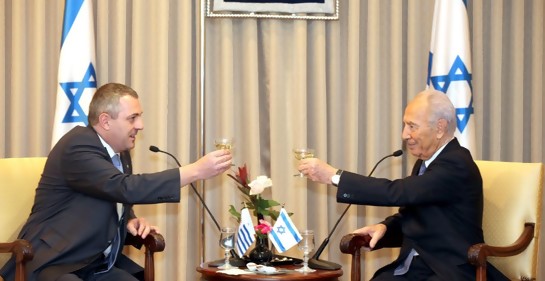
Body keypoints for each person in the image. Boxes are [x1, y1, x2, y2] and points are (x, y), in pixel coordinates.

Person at [0, 83, 232, 281]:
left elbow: (108, 191)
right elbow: (123, 187)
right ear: (106, 121)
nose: (140, 125)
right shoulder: (77, 145)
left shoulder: (119, 151)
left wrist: (128, 219)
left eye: (139, 116)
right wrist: (194, 171)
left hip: (93, 262)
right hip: (53, 261)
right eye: (133, 118)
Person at [298, 89, 508, 280]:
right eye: (405, 125)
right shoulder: (424, 163)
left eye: (412, 126)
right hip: (416, 268)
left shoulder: (456, 163)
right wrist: (385, 228)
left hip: (448, 270)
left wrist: (334, 176)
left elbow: (398, 192)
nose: (404, 135)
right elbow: (416, 214)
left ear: (440, 128)